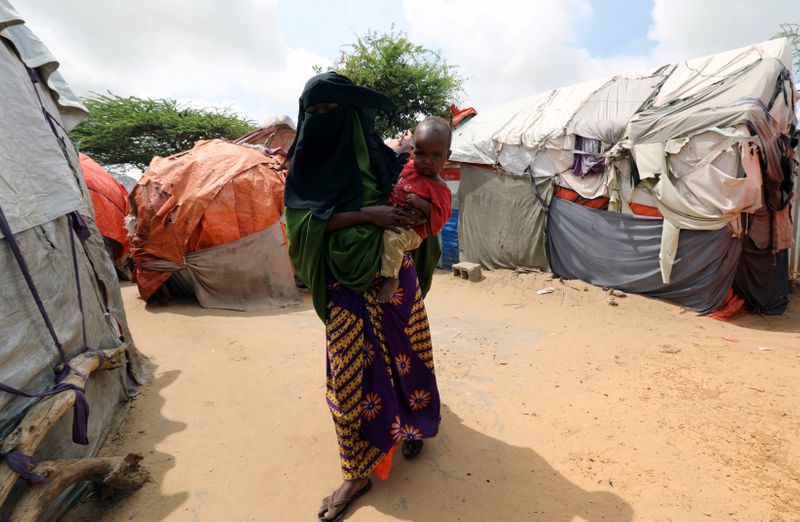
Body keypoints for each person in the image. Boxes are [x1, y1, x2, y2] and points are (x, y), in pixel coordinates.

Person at [284, 72, 442, 522]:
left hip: (397, 283)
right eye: (312, 112)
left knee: (408, 356)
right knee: (350, 374)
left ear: (351, 115)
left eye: (330, 111)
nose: (320, 120)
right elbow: (301, 223)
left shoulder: (385, 163)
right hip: (346, 287)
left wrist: (417, 212)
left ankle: (412, 425)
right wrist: (367, 215)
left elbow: (423, 211)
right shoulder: (303, 168)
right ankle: (356, 469)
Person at [377, 117, 452, 303]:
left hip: (411, 232)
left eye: (436, 155)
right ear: (412, 151)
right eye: (421, 154)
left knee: (391, 239)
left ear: (447, 156)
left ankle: (391, 279)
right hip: (391, 218)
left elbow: (442, 216)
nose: (427, 161)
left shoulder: (439, 188)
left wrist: (423, 205)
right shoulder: (407, 168)